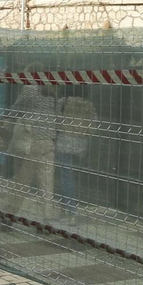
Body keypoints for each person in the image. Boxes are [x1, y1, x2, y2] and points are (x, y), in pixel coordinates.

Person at [9, 85, 59, 217]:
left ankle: (9, 214)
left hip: (32, 141)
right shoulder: (52, 92)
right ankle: (47, 222)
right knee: (47, 186)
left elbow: (15, 108)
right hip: (49, 141)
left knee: (22, 181)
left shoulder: (30, 89)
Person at [54, 90, 96, 219]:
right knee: (71, 176)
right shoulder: (89, 105)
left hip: (65, 143)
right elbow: (92, 125)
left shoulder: (64, 102)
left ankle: (70, 209)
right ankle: (64, 208)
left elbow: (56, 120)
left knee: (66, 177)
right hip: (81, 144)